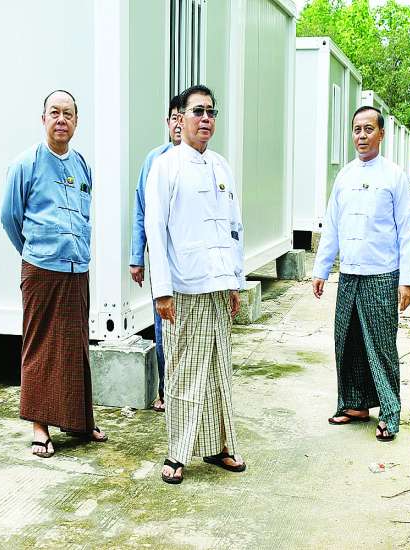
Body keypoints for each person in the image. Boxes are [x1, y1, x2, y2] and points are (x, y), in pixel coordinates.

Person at [144, 84, 246, 484]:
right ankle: (177, 453)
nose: (205, 119)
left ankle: (220, 446)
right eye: (197, 111)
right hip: (184, 287)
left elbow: (234, 227)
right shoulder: (165, 166)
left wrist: (236, 281)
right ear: (181, 118)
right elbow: (155, 230)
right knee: (184, 373)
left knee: (220, 372)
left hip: (219, 286)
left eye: (210, 112)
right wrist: (161, 290)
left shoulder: (221, 166)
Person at [1, 90, 107, 459]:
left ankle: (79, 421)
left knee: (76, 346)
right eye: (54, 112)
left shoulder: (81, 164)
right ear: (43, 118)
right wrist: (34, 251)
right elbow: (9, 217)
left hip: (77, 267)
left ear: (76, 121)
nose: (61, 119)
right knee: (41, 346)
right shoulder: (26, 163)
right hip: (41, 269)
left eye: (68, 114)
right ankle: (39, 427)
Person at [312, 106, 410, 442]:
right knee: (348, 341)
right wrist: (321, 269)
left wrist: (407, 280)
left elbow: (406, 231)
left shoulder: (394, 176)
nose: (361, 135)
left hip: (382, 274)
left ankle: (390, 413)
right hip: (350, 273)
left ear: (381, 134)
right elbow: (332, 225)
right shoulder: (344, 176)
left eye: (368, 129)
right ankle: (355, 405)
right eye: (357, 129)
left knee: (382, 347)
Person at [129, 94, 183, 413]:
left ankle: (186, 388)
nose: (178, 123)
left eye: (183, 117)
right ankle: (166, 389)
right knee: (163, 324)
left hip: (190, 261)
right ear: (167, 122)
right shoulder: (154, 160)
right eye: (174, 117)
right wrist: (137, 257)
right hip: (161, 258)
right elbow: (141, 209)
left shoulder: (202, 161)